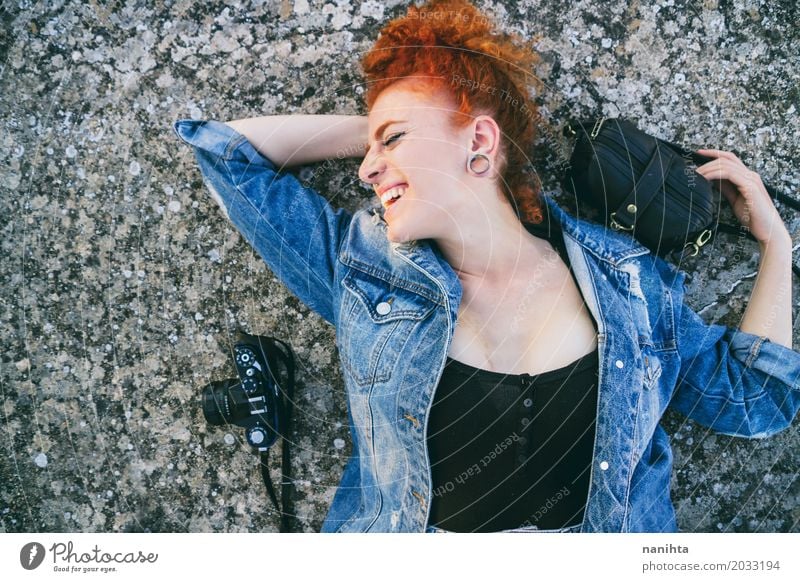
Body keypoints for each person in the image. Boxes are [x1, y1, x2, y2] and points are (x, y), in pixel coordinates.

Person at [173, 0, 799, 532]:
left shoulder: (629, 284)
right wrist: (384, 129)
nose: (364, 170)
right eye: (371, 145)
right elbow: (225, 150)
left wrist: (777, 244)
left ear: (479, 141)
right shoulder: (363, 270)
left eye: (389, 141)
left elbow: (754, 400)